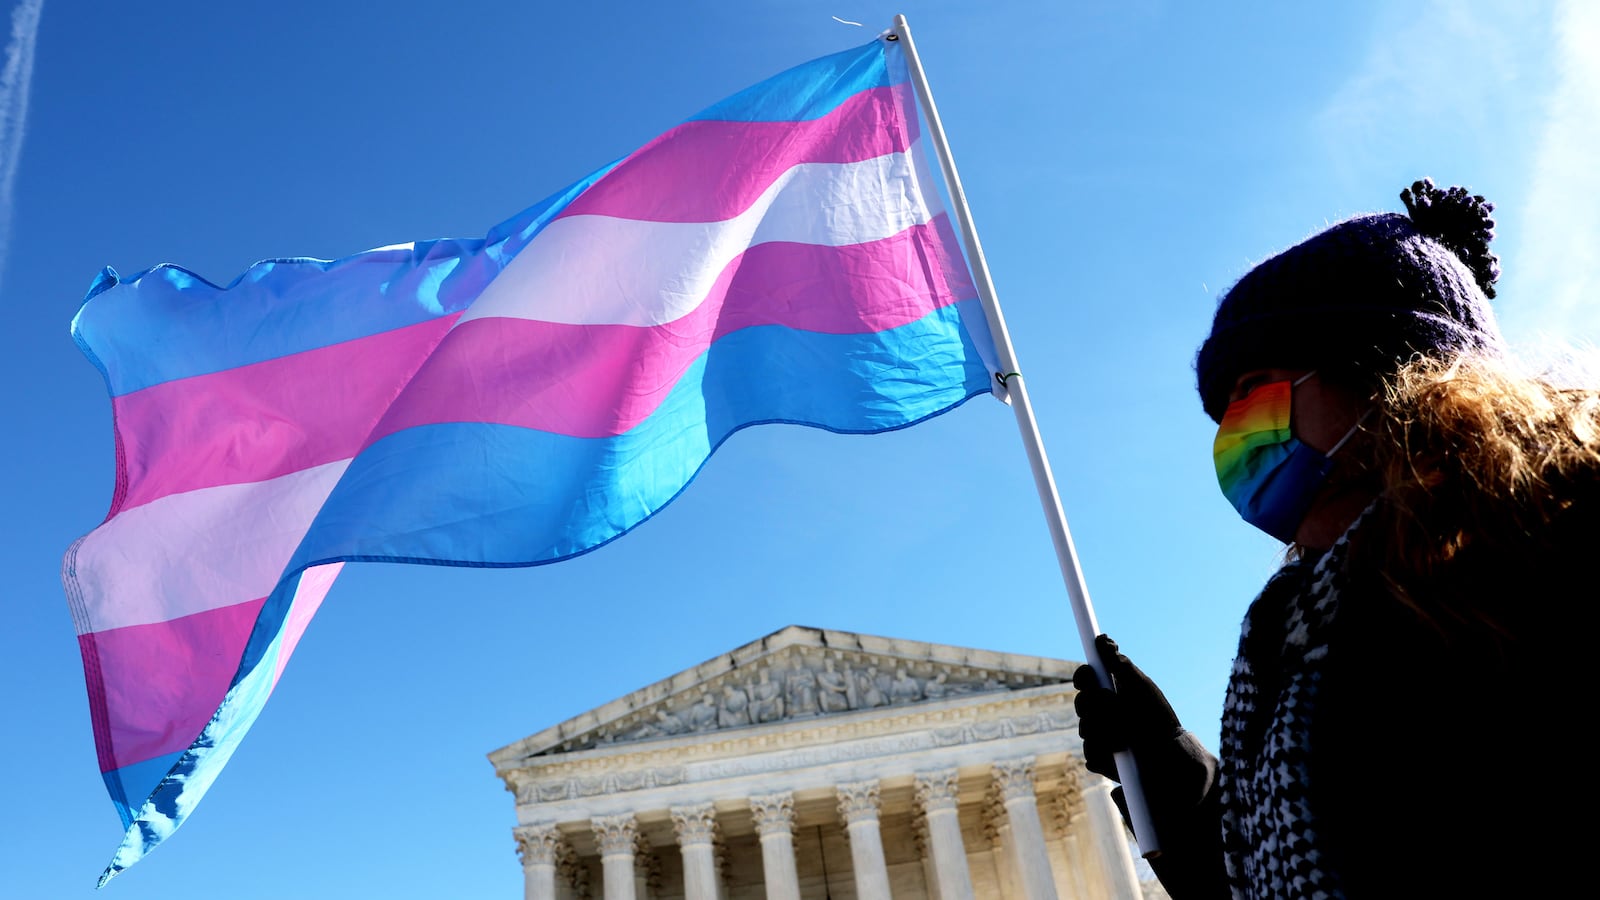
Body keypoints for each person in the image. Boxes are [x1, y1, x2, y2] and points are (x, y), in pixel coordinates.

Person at [1073, 179, 1594, 898]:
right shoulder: (1292, 637)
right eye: (1226, 412)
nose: (1235, 431)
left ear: (1389, 379)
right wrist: (1173, 778)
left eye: (1254, 387)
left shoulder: (1552, 556)